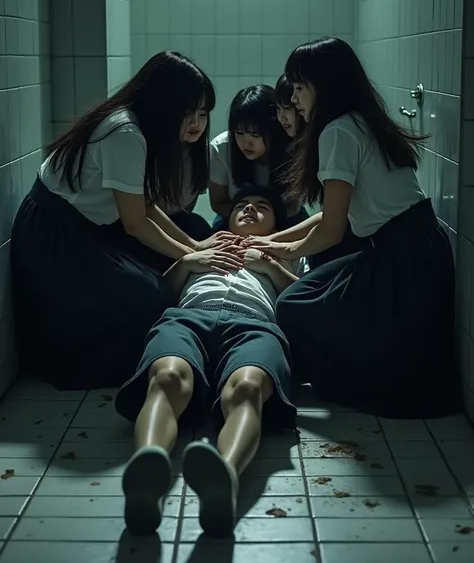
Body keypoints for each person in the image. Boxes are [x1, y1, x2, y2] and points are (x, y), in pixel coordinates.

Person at [245, 37, 461, 419]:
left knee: (293, 307)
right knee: (308, 290)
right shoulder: (361, 121)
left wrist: (281, 252)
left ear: (322, 86)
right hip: (416, 249)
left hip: (403, 262)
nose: (293, 99)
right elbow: (333, 216)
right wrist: (276, 241)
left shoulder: (338, 133)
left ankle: (350, 382)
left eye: (298, 87)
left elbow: (330, 231)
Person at [11, 51, 231, 391]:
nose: (197, 124)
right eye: (188, 112)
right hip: (55, 234)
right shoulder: (125, 132)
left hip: (85, 225)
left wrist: (194, 246)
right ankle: (123, 369)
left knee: (188, 237)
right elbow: (135, 223)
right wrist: (188, 256)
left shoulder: (138, 127)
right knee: (148, 292)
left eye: (203, 113)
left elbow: (144, 204)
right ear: (164, 103)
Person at [115, 186, 307, 538]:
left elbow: (304, 299)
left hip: (254, 324)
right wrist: (187, 261)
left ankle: (226, 479)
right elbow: (160, 294)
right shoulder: (201, 246)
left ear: (277, 223)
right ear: (228, 218)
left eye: (261, 207)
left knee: (248, 387)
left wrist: (269, 264)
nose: (249, 209)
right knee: (168, 377)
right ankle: (147, 472)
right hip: (189, 317)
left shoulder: (290, 254)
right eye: (242, 206)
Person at [209, 84, 306, 231]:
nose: (245, 143)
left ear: (274, 130)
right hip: (237, 216)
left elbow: (294, 205)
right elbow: (218, 202)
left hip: (287, 216)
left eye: (255, 135)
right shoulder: (222, 147)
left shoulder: (293, 148)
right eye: (239, 133)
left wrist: (269, 226)